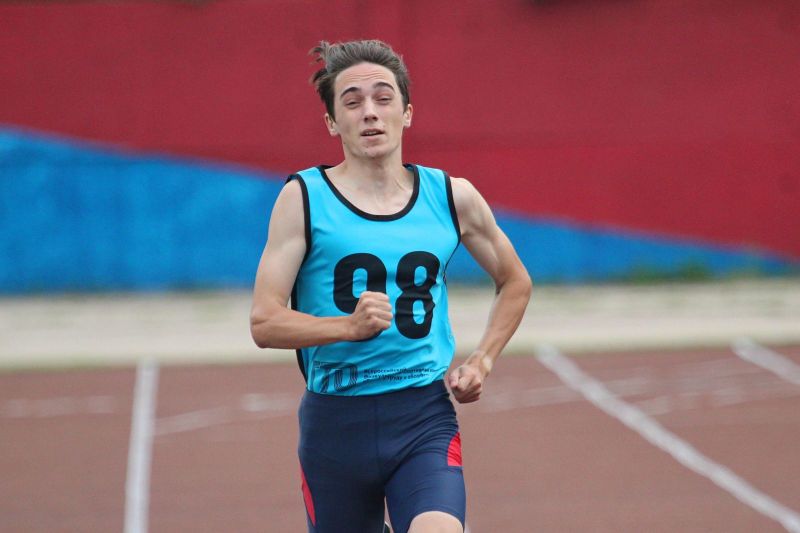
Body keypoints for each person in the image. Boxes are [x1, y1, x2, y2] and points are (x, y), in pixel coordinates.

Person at [250, 39, 532, 533]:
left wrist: (482, 360)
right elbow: (264, 322)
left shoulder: (451, 197)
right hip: (334, 426)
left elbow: (515, 281)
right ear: (332, 122)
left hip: (422, 415)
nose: (370, 112)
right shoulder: (304, 198)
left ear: (407, 113)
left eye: (383, 98)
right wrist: (346, 327)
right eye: (352, 102)